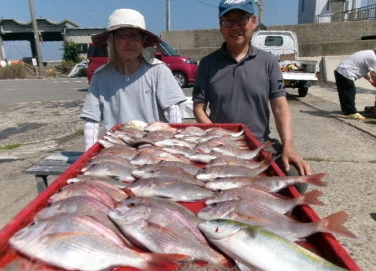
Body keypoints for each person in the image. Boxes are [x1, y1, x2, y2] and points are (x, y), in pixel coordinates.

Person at [192, 0, 312, 188]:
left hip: (260, 143)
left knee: (297, 181)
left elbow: (280, 107)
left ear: (253, 22)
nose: (235, 27)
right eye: (228, 21)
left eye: (241, 20)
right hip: (221, 145)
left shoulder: (269, 62)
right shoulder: (207, 64)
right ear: (220, 26)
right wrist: (218, 139)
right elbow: (199, 109)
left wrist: (288, 144)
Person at [80, 9, 186, 150]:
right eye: (123, 36)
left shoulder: (158, 70)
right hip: (117, 148)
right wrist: (88, 155)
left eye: (136, 36)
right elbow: (91, 121)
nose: (130, 42)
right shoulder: (100, 76)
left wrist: (174, 146)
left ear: (143, 42)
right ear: (112, 40)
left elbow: (174, 111)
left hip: (154, 146)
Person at [334, 49, 376, 120]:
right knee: (350, 92)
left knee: (344, 93)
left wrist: (370, 81)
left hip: (340, 71)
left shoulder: (368, 53)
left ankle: (346, 111)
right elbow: (373, 74)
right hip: (346, 72)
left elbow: (363, 71)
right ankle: (352, 113)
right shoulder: (373, 58)